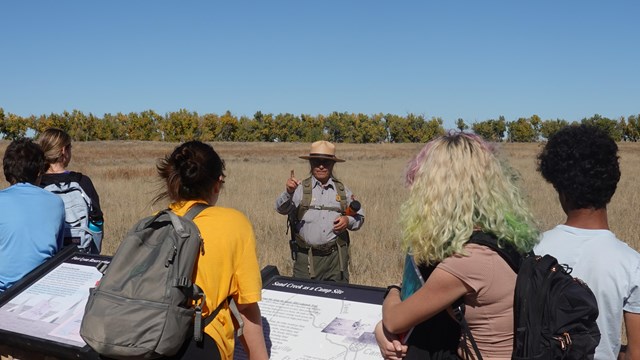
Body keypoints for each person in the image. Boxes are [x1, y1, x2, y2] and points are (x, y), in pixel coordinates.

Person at [374, 132, 539, 360]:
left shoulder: (469, 260)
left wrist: (392, 291)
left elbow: (394, 320)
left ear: (438, 191)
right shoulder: (505, 240)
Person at [535, 124, 640, 360]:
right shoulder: (632, 264)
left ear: (560, 189)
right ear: (612, 186)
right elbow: (636, 353)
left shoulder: (532, 250)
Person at [154, 140, 267, 360]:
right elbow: (246, 306)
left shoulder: (154, 222)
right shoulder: (234, 223)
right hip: (200, 344)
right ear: (218, 183)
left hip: (145, 339)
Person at [275, 140, 364, 283]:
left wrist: (348, 221)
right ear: (310, 163)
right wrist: (288, 192)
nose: (321, 166)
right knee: (304, 300)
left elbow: (360, 218)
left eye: (326, 162)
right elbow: (281, 209)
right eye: (317, 162)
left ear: (333, 164)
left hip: (336, 260)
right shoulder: (299, 189)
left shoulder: (342, 191)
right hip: (306, 259)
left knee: (337, 299)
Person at [0, 138, 65, 293]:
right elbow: (57, 247)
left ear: (7, 172)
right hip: (40, 288)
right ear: (38, 172)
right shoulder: (56, 203)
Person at [37, 128, 104, 254]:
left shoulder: (37, 183)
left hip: (46, 263)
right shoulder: (82, 182)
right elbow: (97, 223)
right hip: (80, 256)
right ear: (63, 150)